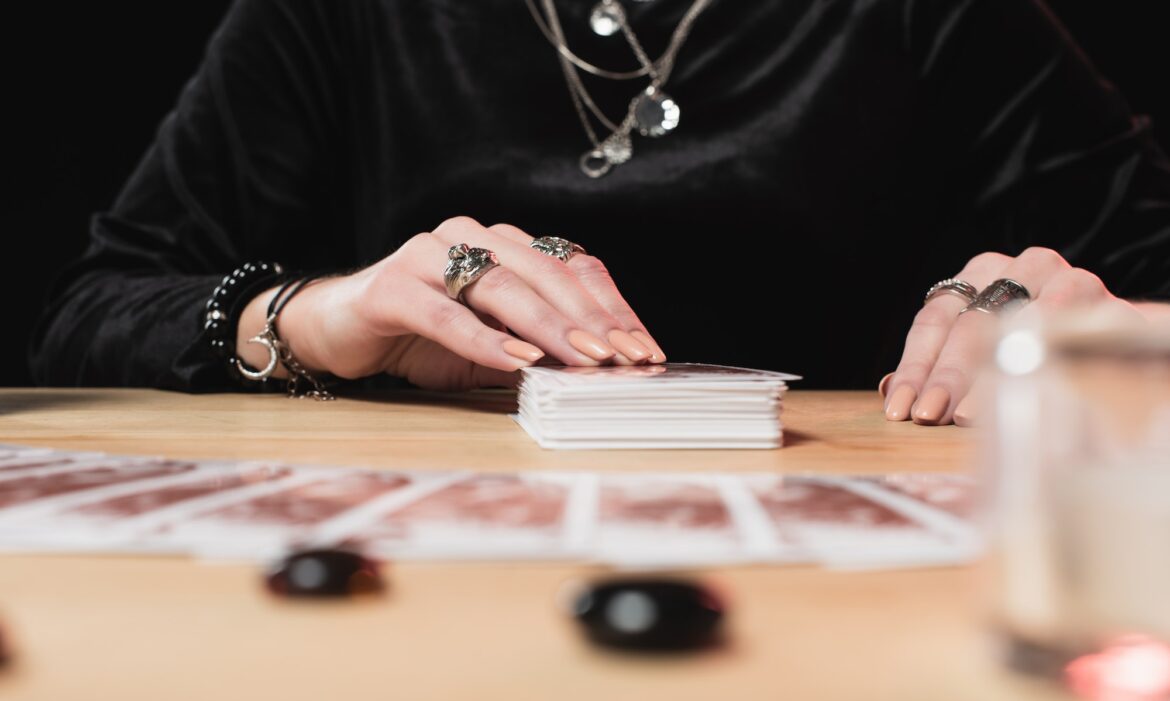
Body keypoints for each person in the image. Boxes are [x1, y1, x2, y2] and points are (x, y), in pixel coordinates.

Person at [29, 0, 1170, 426]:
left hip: (853, 579)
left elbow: (1148, 298)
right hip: (427, 562)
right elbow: (90, 311)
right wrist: (315, 318)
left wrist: (1099, 322)